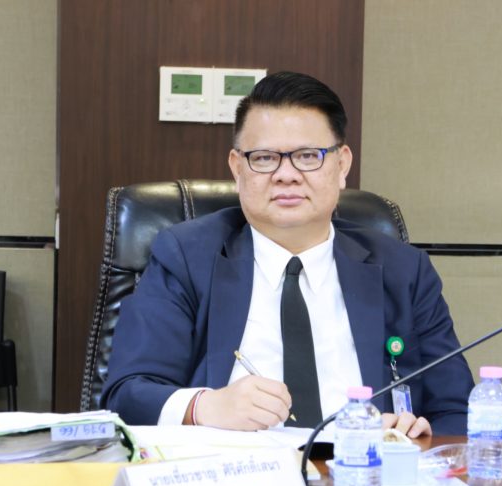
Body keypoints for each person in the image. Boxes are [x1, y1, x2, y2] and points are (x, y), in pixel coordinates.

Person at [101, 71, 474, 437]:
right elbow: (126, 394)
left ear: (342, 165)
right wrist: (205, 406)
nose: (286, 174)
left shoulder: (403, 270)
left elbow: (455, 412)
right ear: (237, 168)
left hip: (362, 468)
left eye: (308, 156)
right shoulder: (186, 257)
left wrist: (416, 435)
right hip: (235, 469)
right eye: (264, 158)